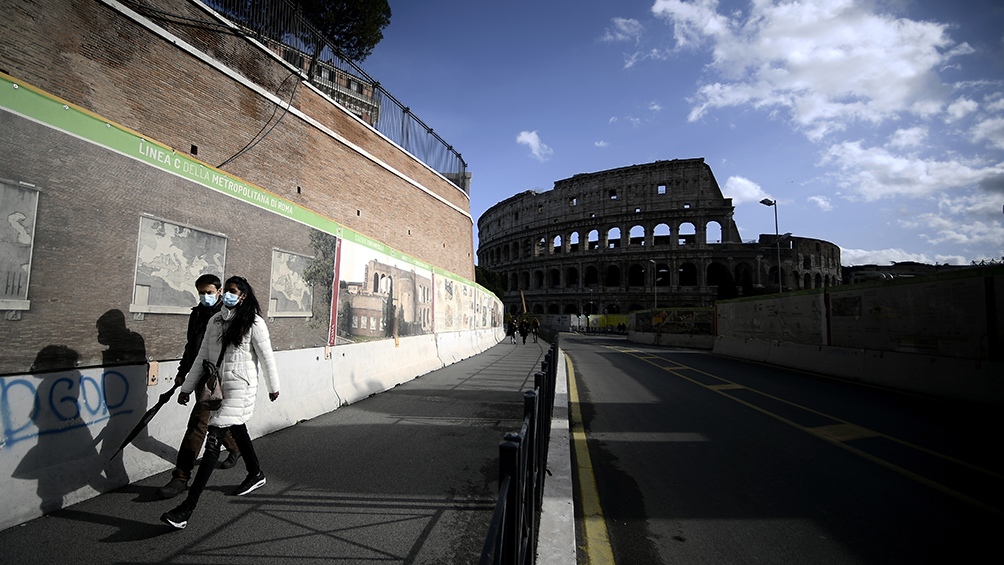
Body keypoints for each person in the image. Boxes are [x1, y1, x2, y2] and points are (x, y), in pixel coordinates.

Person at [161, 276, 280, 530]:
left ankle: (187, 509)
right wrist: (187, 387)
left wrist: (274, 387)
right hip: (216, 386)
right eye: (226, 290)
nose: (227, 295)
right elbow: (201, 356)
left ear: (243, 296)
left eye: (233, 291)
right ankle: (256, 473)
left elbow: (267, 358)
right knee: (238, 428)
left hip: (240, 387)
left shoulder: (254, 322)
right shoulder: (215, 321)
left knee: (213, 439)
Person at [157, 274, 241, 499]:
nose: (205, 297)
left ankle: (181, 477)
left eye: (209, 292)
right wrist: (182, 374)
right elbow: (190, 347)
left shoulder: (229, 316)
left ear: (220, 291)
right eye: (201, 293)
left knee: (198, 422)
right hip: (198, 375)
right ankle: (234, 448)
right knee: (213, 418)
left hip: (217, 378)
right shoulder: (196, 314)